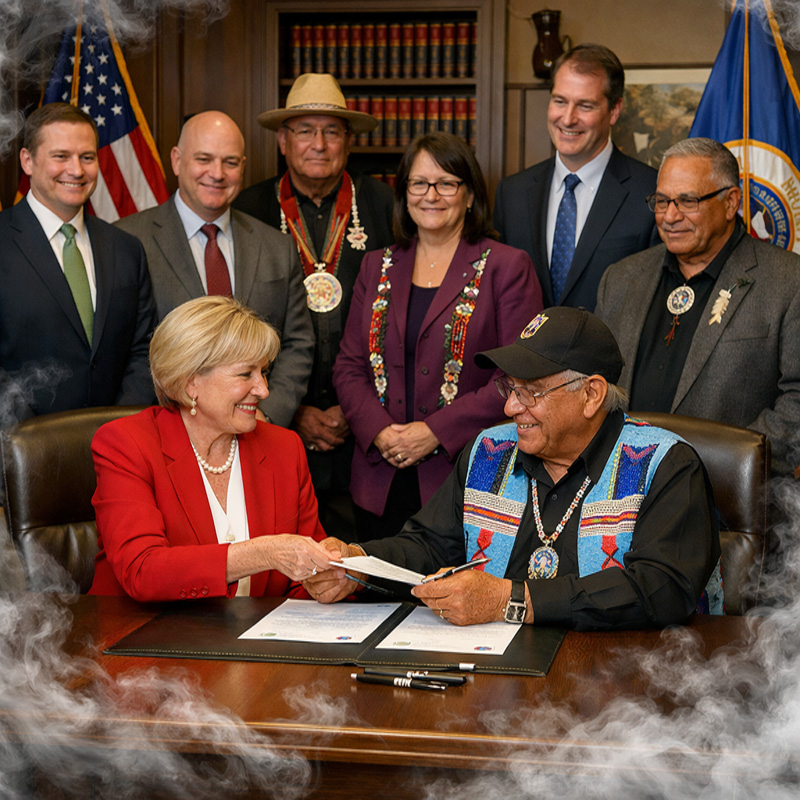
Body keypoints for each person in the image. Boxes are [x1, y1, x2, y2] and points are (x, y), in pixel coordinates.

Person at [308, 307, 721, 630]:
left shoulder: (663, 465)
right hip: (495, 679)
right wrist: (357, 565)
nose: (510, 407)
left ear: (592, 394)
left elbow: (661, 590)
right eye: (509, 388)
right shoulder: (490, 451)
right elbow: (430, 545)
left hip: (626, 685)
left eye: (531, 392)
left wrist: (511, 600)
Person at [333, 132, 543, 541]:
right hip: (379, 478)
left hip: (468, 477)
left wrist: (433, 433)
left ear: (469, 195)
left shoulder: (507, 266)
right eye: (418, 183)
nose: (431, 195)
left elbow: (517, 375)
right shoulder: (376, 265)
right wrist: (380, 432)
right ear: (404, 192)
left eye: (446, 183)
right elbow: (349, 366)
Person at [233, 73, 395, 539]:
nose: (319, 144)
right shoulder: (249, 209)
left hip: (369, 428)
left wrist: (357, 407)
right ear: (283, 141)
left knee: (363, 562)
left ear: (348, 140)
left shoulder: (386, 206)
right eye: (305, 130)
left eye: (331, 131)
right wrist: (294, 409)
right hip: (273, 419)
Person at [89, 296, 333, 602]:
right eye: (246, 374)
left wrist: (330, 580)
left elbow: (304, 580)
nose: (263, 390)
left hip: (258, 644)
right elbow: (143, 571)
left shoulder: (285, 447)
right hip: (146, 640)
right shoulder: (126, 444)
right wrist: (264, 553)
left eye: (264, 372)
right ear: (191, 382)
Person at [595, 137, 800, 476]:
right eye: (661, 201)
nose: (670, 216)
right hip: (620, 495)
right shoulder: (620, 279)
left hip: (727, 501)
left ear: (730, 201)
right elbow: (593, 385)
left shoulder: (788, 281)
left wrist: (726, 467)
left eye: (687, 201)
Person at [115, 110, 314, 428]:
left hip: (256, 428)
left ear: (243, 167)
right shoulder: (126, 241)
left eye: (230, 162)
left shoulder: (277, 247)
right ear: (177, 161)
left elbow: (298, 343)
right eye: (204, 159)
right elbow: (124, 351)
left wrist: (266, 414)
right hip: (164, 432)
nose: (217, 173)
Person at [0, 102, 156, 420]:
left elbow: (144, 350)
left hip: (117, 444)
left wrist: (117, 428)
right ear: (27, 161)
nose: (77, 170)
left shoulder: (126, 249)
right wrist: (35, 440)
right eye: (61, 156)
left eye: (87, 157)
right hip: (21, 449)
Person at [493, 44, 658, 311]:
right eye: (560, 101)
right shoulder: (512, 194)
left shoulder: (651, 192)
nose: (568, 119)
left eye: (585, 105)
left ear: (614, 111)